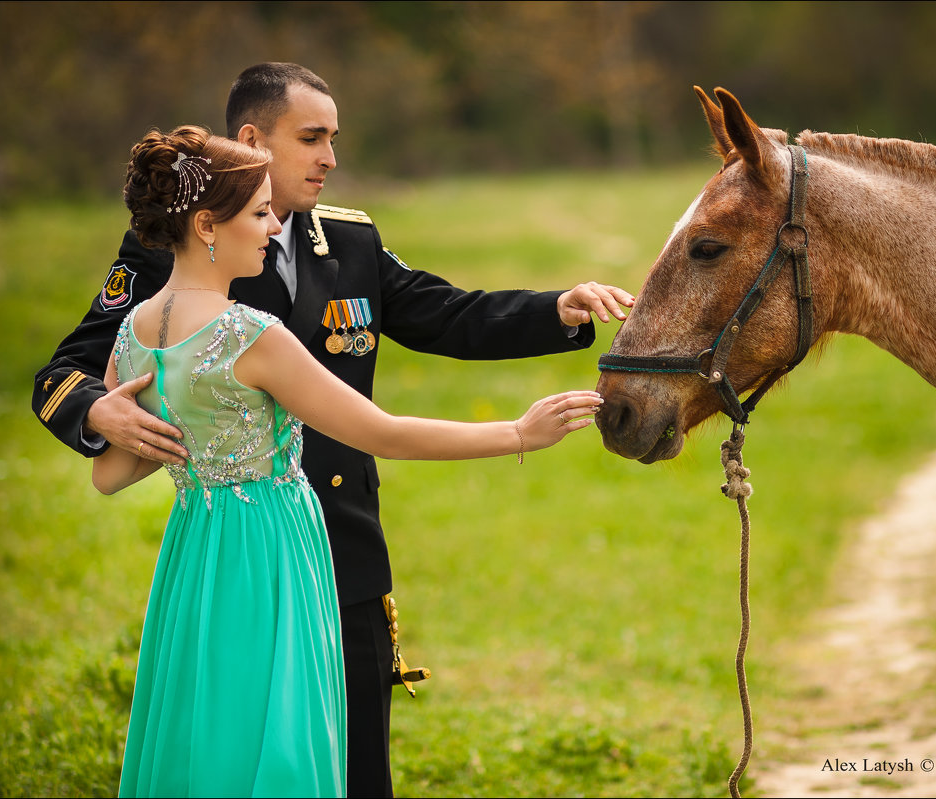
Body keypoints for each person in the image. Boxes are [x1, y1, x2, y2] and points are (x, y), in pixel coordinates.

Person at [32, 62, 633, 797]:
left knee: (351, 765)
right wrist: (100, 409)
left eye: (334, 138)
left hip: (341, 542)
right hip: (254, 549)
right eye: (312, 137)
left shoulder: (347, 240)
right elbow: (70, 369)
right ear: (252, 139)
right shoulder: (174, 253)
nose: (330, 158)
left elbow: (441, 312)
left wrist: (557, 309)